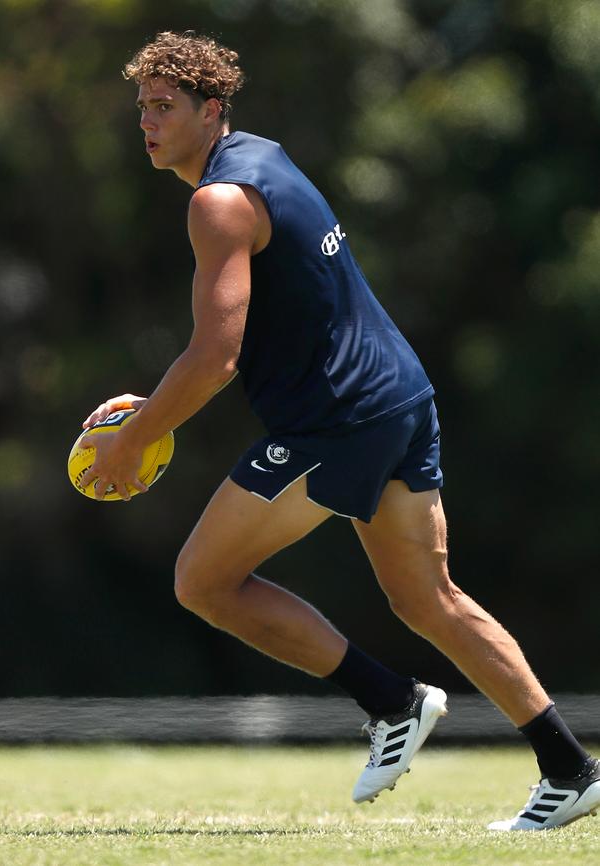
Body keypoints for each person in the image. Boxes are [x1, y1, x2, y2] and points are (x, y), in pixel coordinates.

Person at [79, 30, 599, 830]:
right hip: (399, 396)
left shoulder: (217, 201)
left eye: (163, 107)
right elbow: (256, 327)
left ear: (211, 110)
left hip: (338, 420)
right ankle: (569, 767)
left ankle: (392, 702)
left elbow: (216, 359)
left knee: (202, 582)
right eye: (140, 106)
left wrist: (132, 438)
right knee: (430, 600)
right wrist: (149, 409)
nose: (146, 121)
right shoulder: (266, 155)